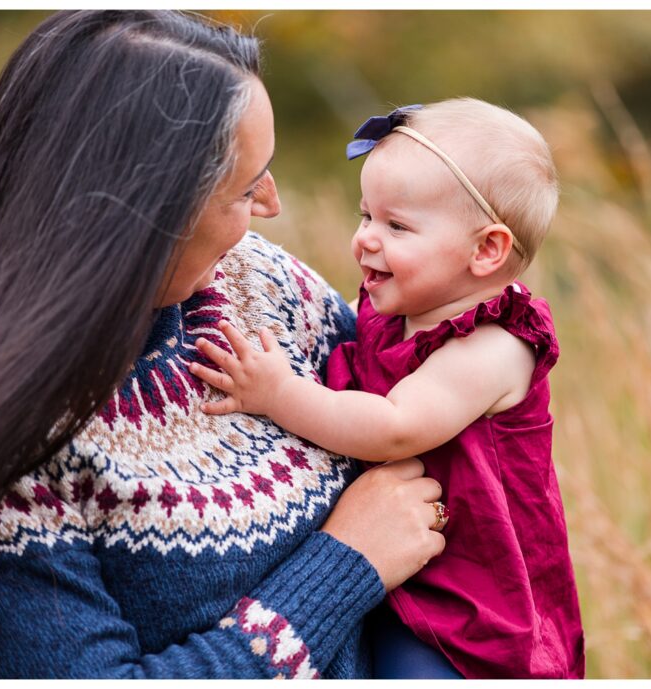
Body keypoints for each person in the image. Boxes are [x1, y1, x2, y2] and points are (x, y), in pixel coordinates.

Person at [0, 11, 446, 679]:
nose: (270, 204)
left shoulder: (264, 288)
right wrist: (343, 565)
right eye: (243, 187)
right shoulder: (10, 460)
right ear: (145, 213)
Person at [192, 98, 586, 678]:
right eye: (365, 215)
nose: (366, 239)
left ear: (486, 250)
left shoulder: (494, 345)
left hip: (470, 600)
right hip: (396, 564)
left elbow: (395, 427)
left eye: (396, 226)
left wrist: (277, 394)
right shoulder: (394, 307)